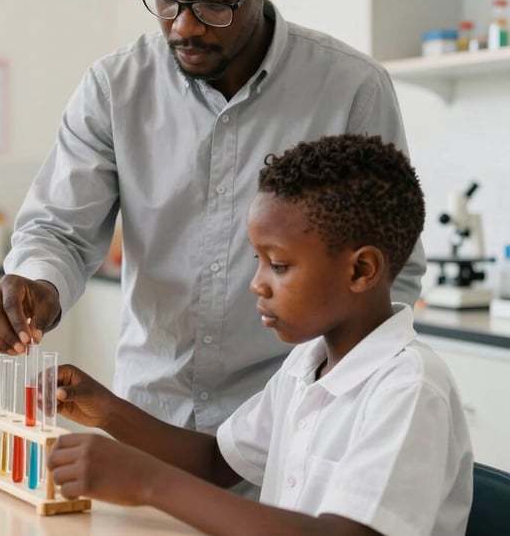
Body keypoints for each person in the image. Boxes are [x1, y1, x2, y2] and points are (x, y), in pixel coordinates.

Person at [0, 0, 427, 436]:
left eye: (214, 4)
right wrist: (36, 285)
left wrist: (328, 393)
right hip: (150, 419)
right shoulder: (116, 86)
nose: (183, 27)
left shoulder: (349, 88)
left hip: (299, 424)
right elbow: (59, 231)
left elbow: (394, 270)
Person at [47, 134, 474, 536]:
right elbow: (216, 461)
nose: (257, 283)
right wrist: (106, 411)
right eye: (259, 260)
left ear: (361, 270)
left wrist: (149, 483)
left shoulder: (409, 390)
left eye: (279, 265)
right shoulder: (307, 366)